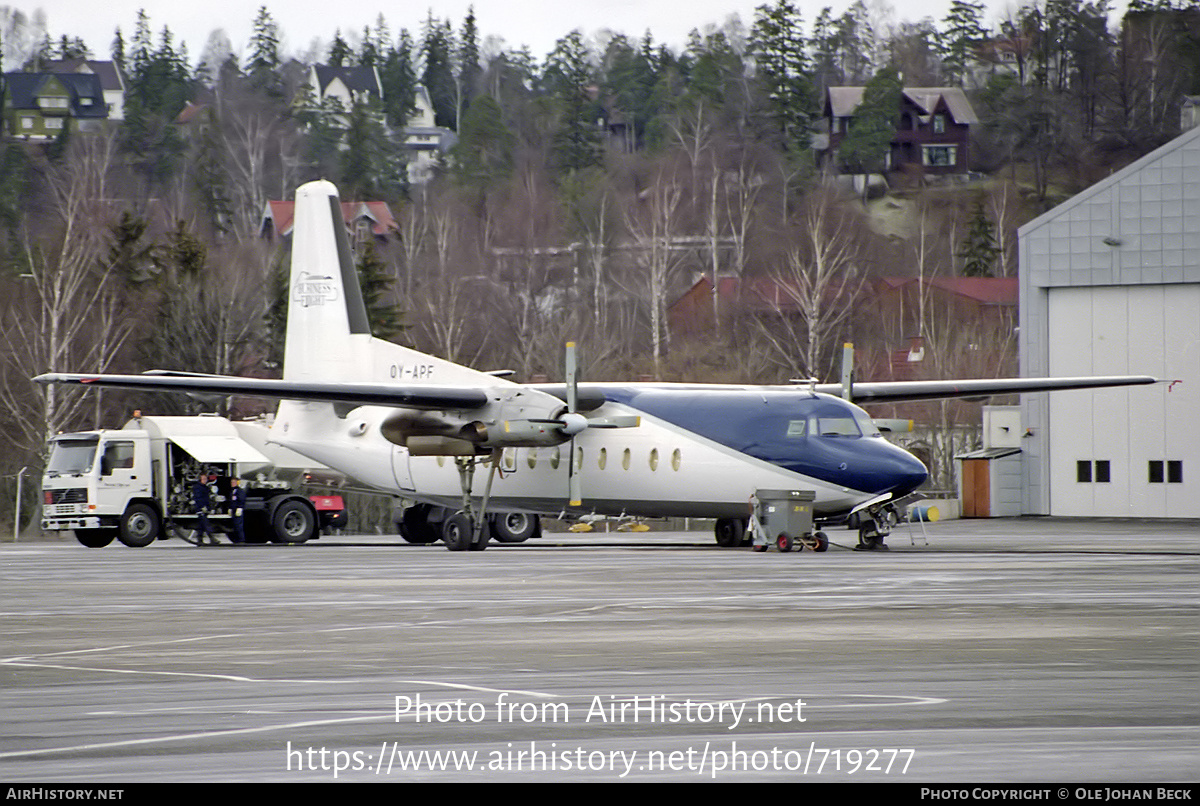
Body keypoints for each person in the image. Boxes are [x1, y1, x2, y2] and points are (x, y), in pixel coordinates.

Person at [192, 473, 219, 546]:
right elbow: (198, 498)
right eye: (203, 479)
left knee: (201, 525)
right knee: (206, 524)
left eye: (206, 479)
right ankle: (212, 538)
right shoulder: (198, 487)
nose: (205, 480)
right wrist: (202, 507)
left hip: (205, 508)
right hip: (200, 509)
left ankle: (199, 540)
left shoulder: (205, 487)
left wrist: (209, 508)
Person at [229, 477, 247, 545]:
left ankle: (241, 540)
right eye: (231, 482)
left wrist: (240, 508)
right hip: (233, 510)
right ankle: (237, 540)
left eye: (234, 482)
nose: (232, 484)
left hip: (238, 510)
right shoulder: (232, 491)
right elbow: (231, 500)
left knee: (239, 526)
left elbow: (241, 499)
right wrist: (230, 508)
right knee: (235, 526)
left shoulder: (240, 491)